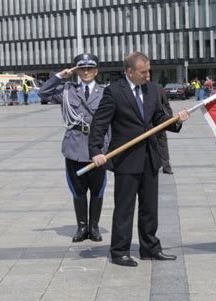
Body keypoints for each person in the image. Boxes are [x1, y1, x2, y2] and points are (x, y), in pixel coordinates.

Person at [89, 52, 190, 267]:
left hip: (149, 157)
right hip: (126, 159)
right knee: (125, 208)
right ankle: (119, 251)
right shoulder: (114, 92)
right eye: (143, 72)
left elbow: (158, 118)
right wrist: (96, 150)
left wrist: (176, 121)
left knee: (149, 207)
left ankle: (150, 248)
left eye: (149, 71)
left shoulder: (153, 90)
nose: (148, 75)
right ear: (129, 72)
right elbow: (100, 123)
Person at [39, 53, 108, 243]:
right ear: (77, 71)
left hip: (98, 149)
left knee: (97, 189)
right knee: (78, 190)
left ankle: (94, 228)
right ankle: (82, 227)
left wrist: (106, 148)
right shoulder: (68, 91)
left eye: (89, 68)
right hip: (74, 147)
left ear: (96, 71)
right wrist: (61, 76)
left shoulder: (105, 92)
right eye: (82, 69)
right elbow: (43, 93)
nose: (86, 72)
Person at [156, 84, 173, 174]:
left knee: (162, 144)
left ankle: (166, 166)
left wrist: (170, 117)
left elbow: (166, 104)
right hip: (143, 123)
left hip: (159, 121)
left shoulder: (158, 88)